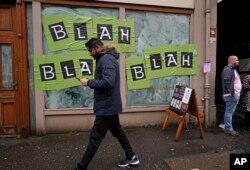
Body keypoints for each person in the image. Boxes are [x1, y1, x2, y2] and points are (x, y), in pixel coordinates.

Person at [75, 38, 140, 170]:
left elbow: (108, 82)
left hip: (107, 106)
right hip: (109, 104)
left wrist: (88, 82)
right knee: (117, 131)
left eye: (90, 50)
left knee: (95, 138)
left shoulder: (106, 59)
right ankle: (132, 157)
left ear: (98, 47)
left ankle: (81, 167)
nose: (89, 53)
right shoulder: (105, 58)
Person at [221, 55, 242, 136]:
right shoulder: (227, 69)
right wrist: (233, 93)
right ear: (232, 61)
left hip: (233, 95)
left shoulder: (232, 69)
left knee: (229, 111)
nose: (238, 61)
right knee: (229, 111)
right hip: (231, 95)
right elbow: (227, 82)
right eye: (237, 60)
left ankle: (227, 128)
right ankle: (229, 129)